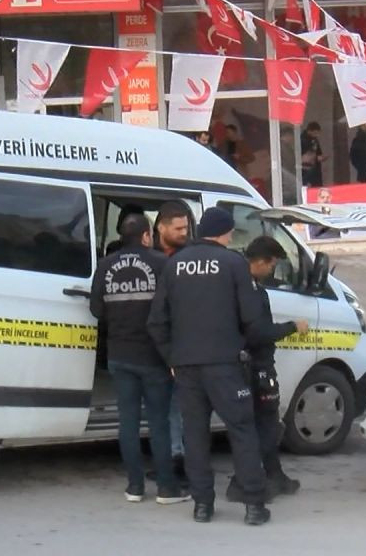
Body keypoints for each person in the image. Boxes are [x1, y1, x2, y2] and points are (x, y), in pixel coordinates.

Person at [147, 206, 271, 526]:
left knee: (195, 436)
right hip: (225, 365)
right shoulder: (234, 263)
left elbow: (157, 321)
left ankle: (203, 505)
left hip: (187, 366)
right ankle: (254, 505)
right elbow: (251, 319)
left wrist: (171, 358)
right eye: (231, 232)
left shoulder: (174, 265)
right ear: (225, 233)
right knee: (242, 431)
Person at [88, 214, 189, 505]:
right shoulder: (161, 263)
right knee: (158, 422)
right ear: (147, 235)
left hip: (119, 355)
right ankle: (167, 489)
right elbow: (177, 307)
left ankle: (134, 487)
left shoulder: (105, 266)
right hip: (153, 357)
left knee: (128, 422)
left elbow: (96, 309)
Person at [226, 236, 309, 503]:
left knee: (266, 425)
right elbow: (258, 333)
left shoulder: (243, 285)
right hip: (254, 366)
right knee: (261, 427)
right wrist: (292, 327)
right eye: (272, 265)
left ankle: (275, 475)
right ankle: (243, 483)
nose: (272, 271)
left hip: (252, 365)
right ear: (260, 261)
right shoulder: (247, 290)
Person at [151, 200, 193, 479]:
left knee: (179, 406)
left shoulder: (190, 257)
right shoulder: (148, 257)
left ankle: (180, 458)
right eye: (178, 228)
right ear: (160, 227)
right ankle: (170, 456)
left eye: (186, 228)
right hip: (153, 343)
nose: (183, 233)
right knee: (161, 407)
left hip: (183, 345)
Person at [300, 122, 327, 186]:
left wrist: (320, 157)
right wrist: (316, 158)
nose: (317, 135)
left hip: (315, 168)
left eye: (318, 133)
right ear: (309, 131)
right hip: (306, 169)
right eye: (315, 133)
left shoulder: (314, 140)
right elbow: (303, 156)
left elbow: (318, 152)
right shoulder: (302, 140)